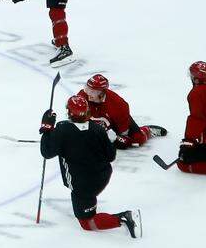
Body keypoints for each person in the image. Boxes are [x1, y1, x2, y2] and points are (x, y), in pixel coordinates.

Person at [40, 96, 142, 238]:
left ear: (69, 112)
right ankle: (89, 204)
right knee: (88, 195)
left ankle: (124, 218)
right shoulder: (97, 128)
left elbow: (46, 152)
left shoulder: (62, 130)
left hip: (83, 185)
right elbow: (110, 156)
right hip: (102, 176)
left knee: (87, 223)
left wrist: (46, 128)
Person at [78, 74, 167, 149]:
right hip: (95, 118)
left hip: (114, 120)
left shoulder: (118, 104)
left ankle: (148, 130)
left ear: (102, 93)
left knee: (136, 140)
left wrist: (122, 137)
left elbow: (124, 130)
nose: (88, 94)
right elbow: (76, 118)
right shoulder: (82, 96)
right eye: (87, 89)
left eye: (93, 92)